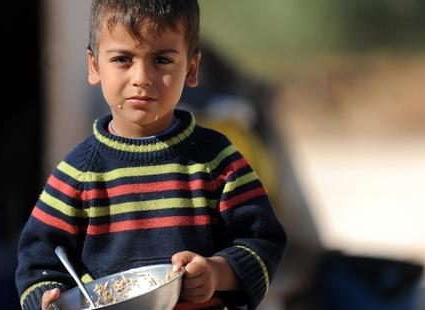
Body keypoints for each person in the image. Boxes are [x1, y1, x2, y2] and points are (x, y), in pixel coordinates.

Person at [15, 1, 287, 309]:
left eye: (161, 60)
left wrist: (217, 273)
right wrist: (48, 298)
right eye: (122, 59)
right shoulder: (78, 174)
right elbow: (39, 262)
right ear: (94, 66)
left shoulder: (215, 161)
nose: (142, 77)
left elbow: (263, 241)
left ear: (192, 68)